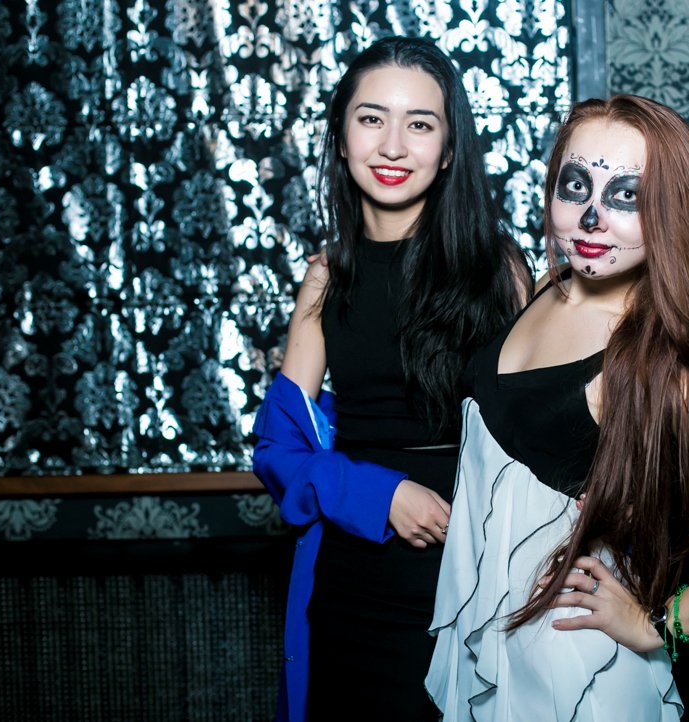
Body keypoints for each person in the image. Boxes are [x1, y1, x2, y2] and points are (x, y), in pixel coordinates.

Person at [425, 94, 689, 720]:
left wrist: (657, 627)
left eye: (625, 196)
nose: (590, 217)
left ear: (668, 211)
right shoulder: (546, 288)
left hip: (568, 660)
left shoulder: (651, 364)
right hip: (493, 628)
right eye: (575, 185)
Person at [252, 36, 531, 722]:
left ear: (449, 148)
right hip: (353, 584)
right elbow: (278, 451)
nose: (393, 146)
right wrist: (381, 495)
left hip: (479, 581)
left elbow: (542, 434)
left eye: (421, 124)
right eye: (372, 118)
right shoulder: (325, 278)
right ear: (341, 135)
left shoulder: (498, 268)